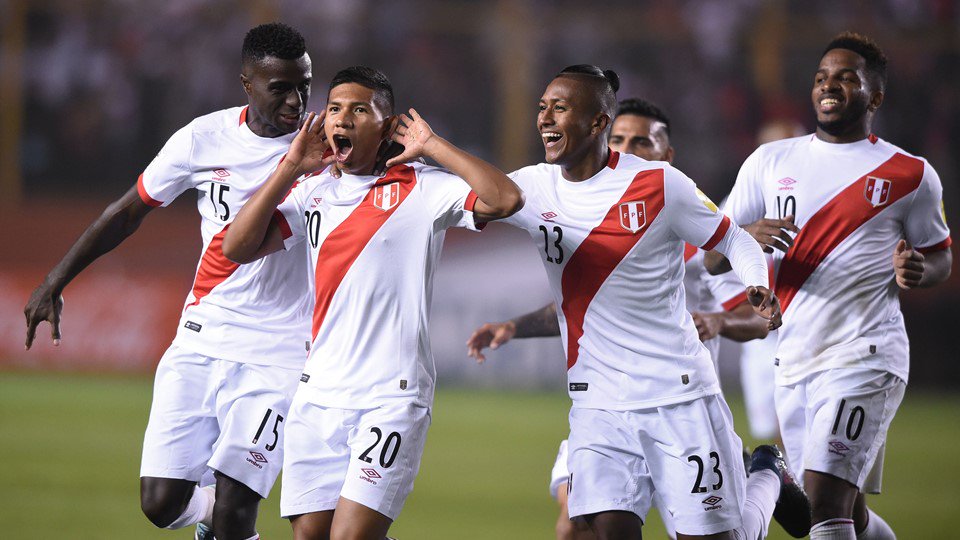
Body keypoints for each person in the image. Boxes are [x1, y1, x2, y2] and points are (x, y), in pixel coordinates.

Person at [468, 63, 796, 540]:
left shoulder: (667, 194)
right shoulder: (541, 187)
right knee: (585, 528)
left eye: (642, 141)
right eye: (543, 107)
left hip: (676, 396)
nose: (627, 147)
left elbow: (735, 249)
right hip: (599, 401)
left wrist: (754, 287)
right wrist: (514, 327)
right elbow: (580, 300)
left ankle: (764, 474)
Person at [23, 23, 316, 540]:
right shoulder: (201, 139)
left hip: (281, 352)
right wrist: (57, 277)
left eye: (305, 85)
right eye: (281, 88)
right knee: (160, 504)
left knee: (237, 509)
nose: (297, 100)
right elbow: (128, 212)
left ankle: (225, 516)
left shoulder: (325, 152)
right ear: (246, 83)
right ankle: (211, 516)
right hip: (203, 338)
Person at [221, 66, 523, 540]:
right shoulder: (313, 190)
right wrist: (289, 169)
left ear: (387, 124)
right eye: (336, 108)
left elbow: (505, 198)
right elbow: (235, 248)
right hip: (318, 393)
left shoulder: (422, 188)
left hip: (391, 395)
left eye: (360, 109)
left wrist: (433, 145)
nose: (343, 118)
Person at [706, 32, 952, 540]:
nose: (829, 86)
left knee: (823, 497)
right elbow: (711, 257)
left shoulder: (909, 175)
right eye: (822, 77)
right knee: (841, 512)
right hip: (793, 359)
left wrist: (917, 272)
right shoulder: (769, 162)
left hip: (865, 355)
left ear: (875, 96)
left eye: (845, 77)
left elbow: (940, 257)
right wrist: (745, 236)